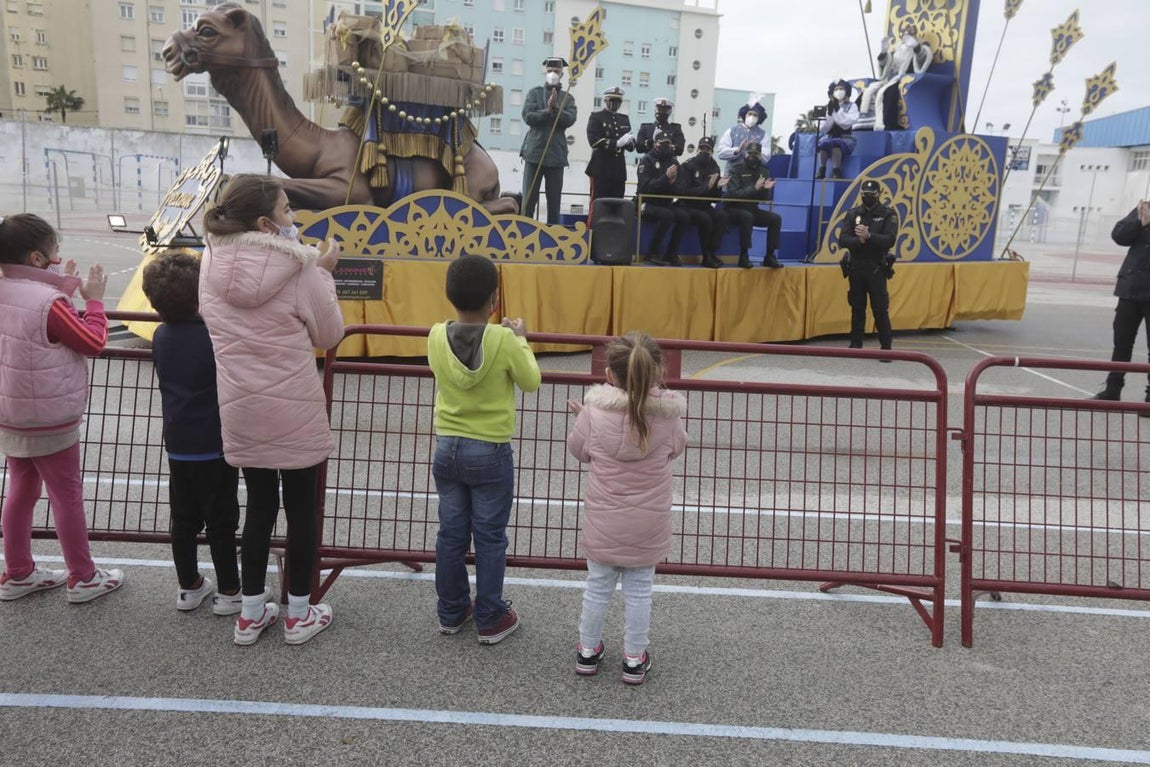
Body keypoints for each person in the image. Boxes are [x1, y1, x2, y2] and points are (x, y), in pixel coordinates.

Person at [198, 174, 345, 646]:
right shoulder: (300, 267)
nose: (293, 220)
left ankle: (250, 612)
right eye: (286, 211)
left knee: (259, 508)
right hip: (293, 408)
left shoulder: (210, 262)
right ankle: (298, 613)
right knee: (301, 511)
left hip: (241, 406)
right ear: (265, 222)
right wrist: (323, 272)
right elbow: (328, 335)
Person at [0, 213, 125, 604]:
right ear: (38, 258)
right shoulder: (48, 303)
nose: (59, 258)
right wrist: (94, 299)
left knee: (20, 488)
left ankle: (17, 570)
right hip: (49, 418)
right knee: (66, 493)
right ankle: (83, 576)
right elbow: (93, 340)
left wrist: (65, 289)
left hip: (11, 411)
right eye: (55, 252)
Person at [427, 255, 541, 644]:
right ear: (494, 299)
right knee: (490, 536)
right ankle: (490, 616)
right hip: (489, 449)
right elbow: (531, 380)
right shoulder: (503, 339)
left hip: (447, 446)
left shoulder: (435, 334)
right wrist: (522, 338)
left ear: (450, 294)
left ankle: (451, 610)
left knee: (451, 534)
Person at [566, 332, 687, 685]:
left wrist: (583, 417)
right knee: (639, 591)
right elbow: (677, 447)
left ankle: (587, 651)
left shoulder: (594, 412)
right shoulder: (668, 416)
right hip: (648, 522)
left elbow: (580, 451)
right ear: (657, 371)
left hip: (604, 520)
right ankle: (634, 658)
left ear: (609, 375)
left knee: (598, 586)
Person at [141, 251, 241, 614]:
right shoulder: (213, 337)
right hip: (216, 442)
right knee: (222, 520)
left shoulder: (161, 336)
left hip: (179, 442)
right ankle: (230, 590)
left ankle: (189, 585)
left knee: (183, 519)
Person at [1090, 200, 1150, 415]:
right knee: (1121, 344)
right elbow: (1119, 236)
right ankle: (1113, 389)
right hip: (1130, 289)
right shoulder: (1144, 208)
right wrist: (1140, 222)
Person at [837, 178, 899, 351]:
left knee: (880, 309)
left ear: (879, 195)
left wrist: (870, 236)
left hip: (876, 268)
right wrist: (861, 241)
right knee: (857, 308)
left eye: (872, 194)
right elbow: (843, 240)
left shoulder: (888, 214)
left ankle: (886, 347)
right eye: (865, 194)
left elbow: (889, 240)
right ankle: (855, 344)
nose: (868, 197)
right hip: (856, 267)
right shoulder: (853, 214)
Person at [520, 57, 578, 225]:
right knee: (529, 199)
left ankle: (552, 237)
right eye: (550, 70)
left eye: (557, 71)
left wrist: (557, 108)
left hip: (556, 155)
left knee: (554, 202)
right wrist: (547, 111)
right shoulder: (534, 93)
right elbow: (528, 116)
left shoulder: (568, 98)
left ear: (562, 74)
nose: (553, 74)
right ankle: (524, 232)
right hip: (534, 153)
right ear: (545, 71)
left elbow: (570, 119)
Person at [723, 141, 784, 269]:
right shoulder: (736, 170)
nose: (752, 156)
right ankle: (744, 256)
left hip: (752, 209)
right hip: (733, 209)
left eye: (755, 154)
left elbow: (764, 198)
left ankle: (769, 256)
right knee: (747, 217)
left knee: (775, 219)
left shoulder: (764, 171)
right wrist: (754, 188)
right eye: (750, 153)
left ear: (760, 155)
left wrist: (766, 189)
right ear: (745, 154)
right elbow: (733, 195)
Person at [636, 131, 690, 267]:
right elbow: (645, 187)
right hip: (647, 204)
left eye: (668, 144)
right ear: (655, 144)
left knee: (683, 216)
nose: (665, 146)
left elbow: (681, 187)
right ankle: (651, 253)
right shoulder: (647, 160)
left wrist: (670, 184)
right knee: (667, 215)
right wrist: (665, 179)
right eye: (662, 143)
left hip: (665, 203)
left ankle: (670, 253)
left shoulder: (674, 162)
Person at [676, 136, 729, 269]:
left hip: (704, 205)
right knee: (705, 218)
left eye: (708, 149)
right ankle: (706, 256)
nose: (704, 151)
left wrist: (717, 188)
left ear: (712, 151)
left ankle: (711, 251)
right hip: (687, 205)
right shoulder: (688, 165)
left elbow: (714, 199)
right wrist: (707, 187)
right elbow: (684, 192)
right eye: (702, 148)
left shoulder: (714, 167)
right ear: (698, 149)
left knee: (722, 216)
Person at [585, 86, 634, 209]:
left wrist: (629, 142)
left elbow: (631, 147)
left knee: (617, 203)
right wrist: (616, 143)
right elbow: (593, 141)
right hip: (601, 168)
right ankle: (595, 228)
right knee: (598, 203)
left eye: (618, 102)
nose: (615, 104)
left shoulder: (624, 119)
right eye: (612, 101)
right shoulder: (596, 117)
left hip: (618, 169)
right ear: (606, 101)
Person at [817, 79, 860, 180]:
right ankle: (821, 169)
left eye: (841, 88)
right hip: (829, 136)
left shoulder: (852, 106)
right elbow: (823, 127)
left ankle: (836, 171)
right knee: (823, 145)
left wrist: (838, 110)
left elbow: (846, 123)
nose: (838, 91)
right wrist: (830, 113)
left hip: (845, 137)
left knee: (836, 145)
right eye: (836, 89)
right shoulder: (827, 107)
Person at [716, 99, 768, 172]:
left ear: (759, 118)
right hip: (732, 176)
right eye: (750, 114)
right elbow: (721, 153)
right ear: (745, 115)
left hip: (753, 177)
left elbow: (766, 158)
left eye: (755, 115)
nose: (752, 117)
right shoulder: (732, 131)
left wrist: (755, 150)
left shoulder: (763, 134)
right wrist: (738, 150)